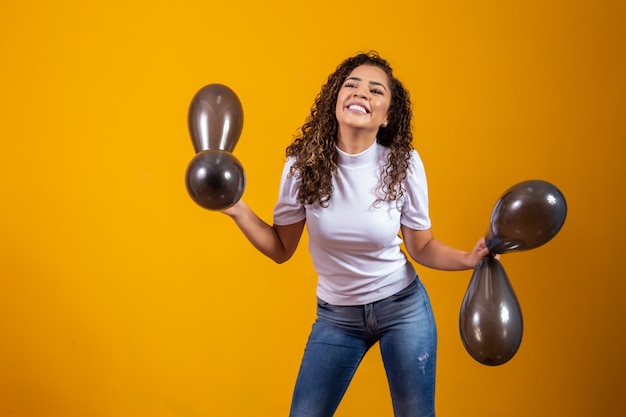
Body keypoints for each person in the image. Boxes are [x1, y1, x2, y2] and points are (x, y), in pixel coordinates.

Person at [220, 51, 490, 417]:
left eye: (375, 91)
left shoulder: (404, 164)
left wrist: (469, 260)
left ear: (386, 116)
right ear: (335, 99)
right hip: (337, 317)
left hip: (403, 309)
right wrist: (236, 209)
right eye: (351, 85)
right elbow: (281, 248)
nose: (361, 93)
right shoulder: (302, 167)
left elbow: (421, 246)